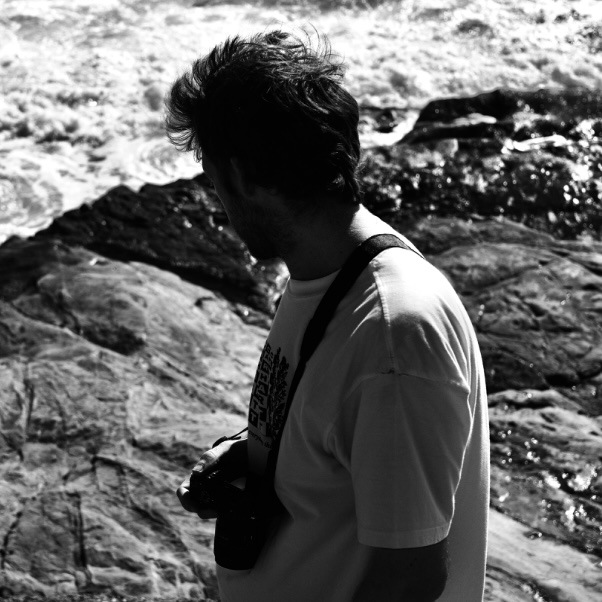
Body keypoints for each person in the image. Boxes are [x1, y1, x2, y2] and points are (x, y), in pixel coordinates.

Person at [167, 30, 489, 602]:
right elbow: (340, 427)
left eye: (213, 183)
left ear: (240, 177)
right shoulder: (329, 277)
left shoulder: (393, 332)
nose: (218, 205)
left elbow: (408, 579)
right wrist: (256, 453)